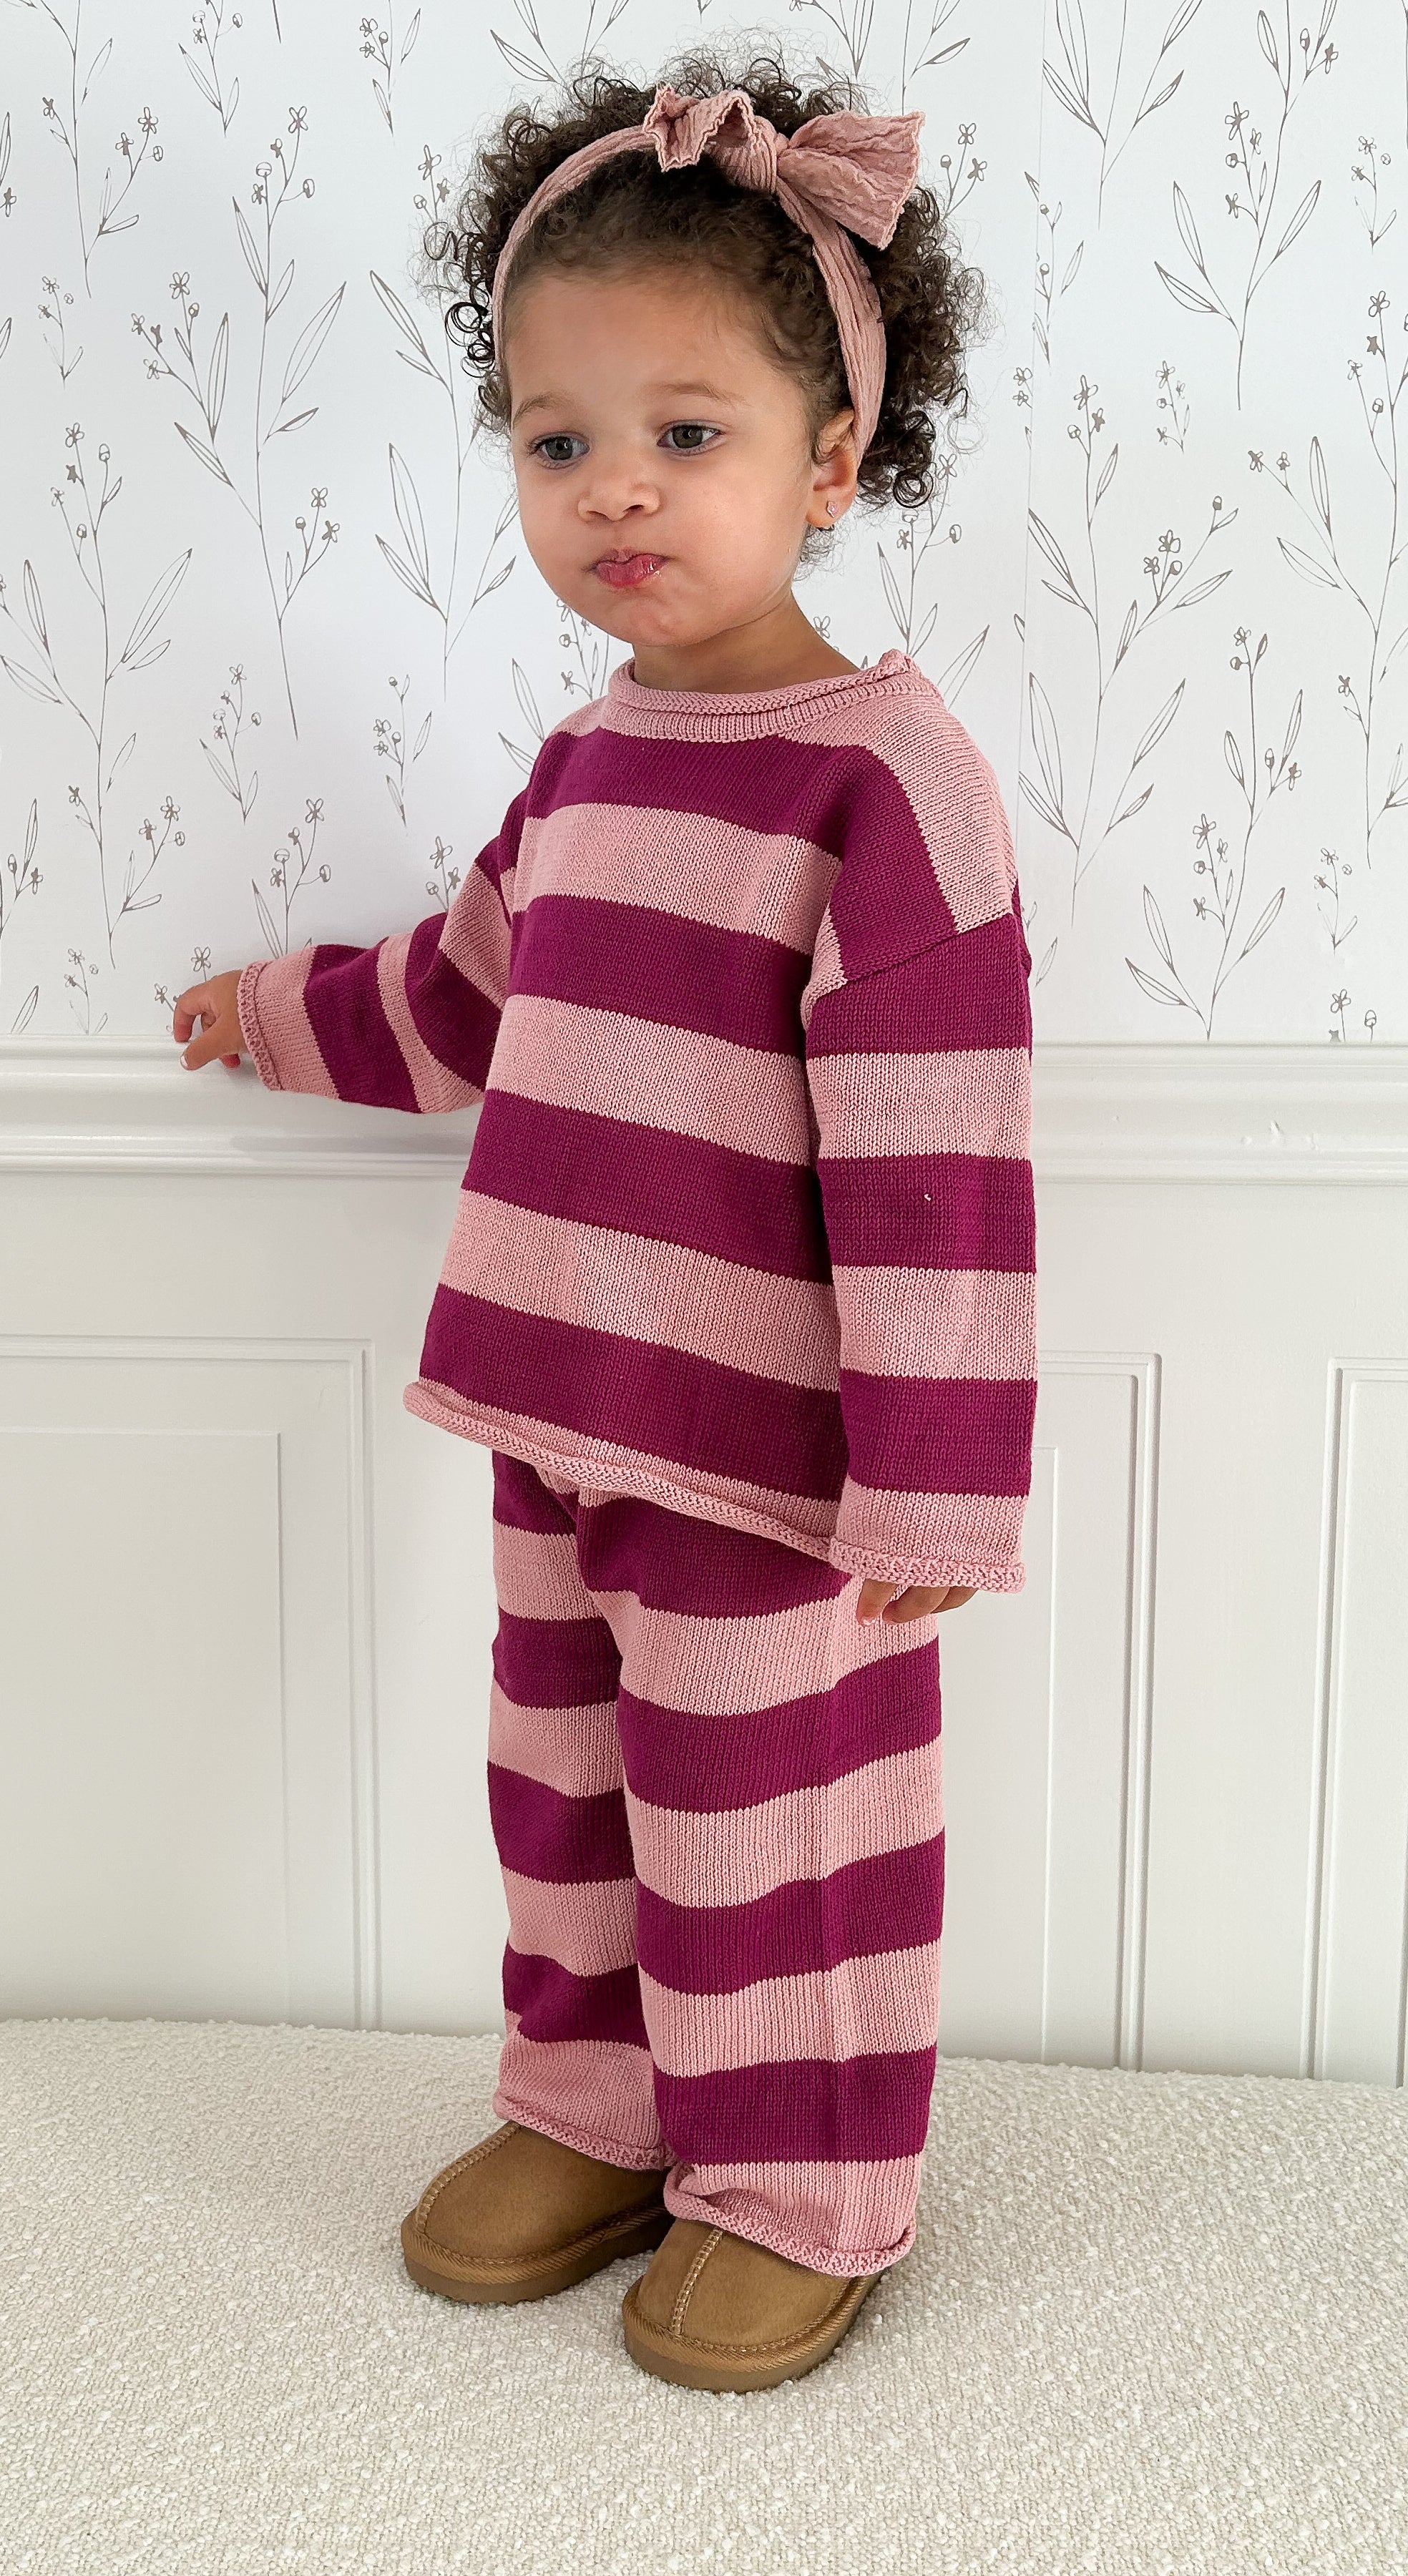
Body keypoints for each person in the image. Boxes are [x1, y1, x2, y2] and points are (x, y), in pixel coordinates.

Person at [172, 49, 1038, 2396]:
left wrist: (942, 1472)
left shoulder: (889, 780)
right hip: (559, 1407)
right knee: (566, 1802)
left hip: (777, 1465)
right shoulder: (584, 763)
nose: (615, 490)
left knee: (776, 1829)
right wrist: (273, 1012)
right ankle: (601, 2099)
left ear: (830, 461)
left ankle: (805, 2171)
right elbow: (461, 1000)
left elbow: (941, 1151)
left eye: (686, 432)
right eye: (559, 441)